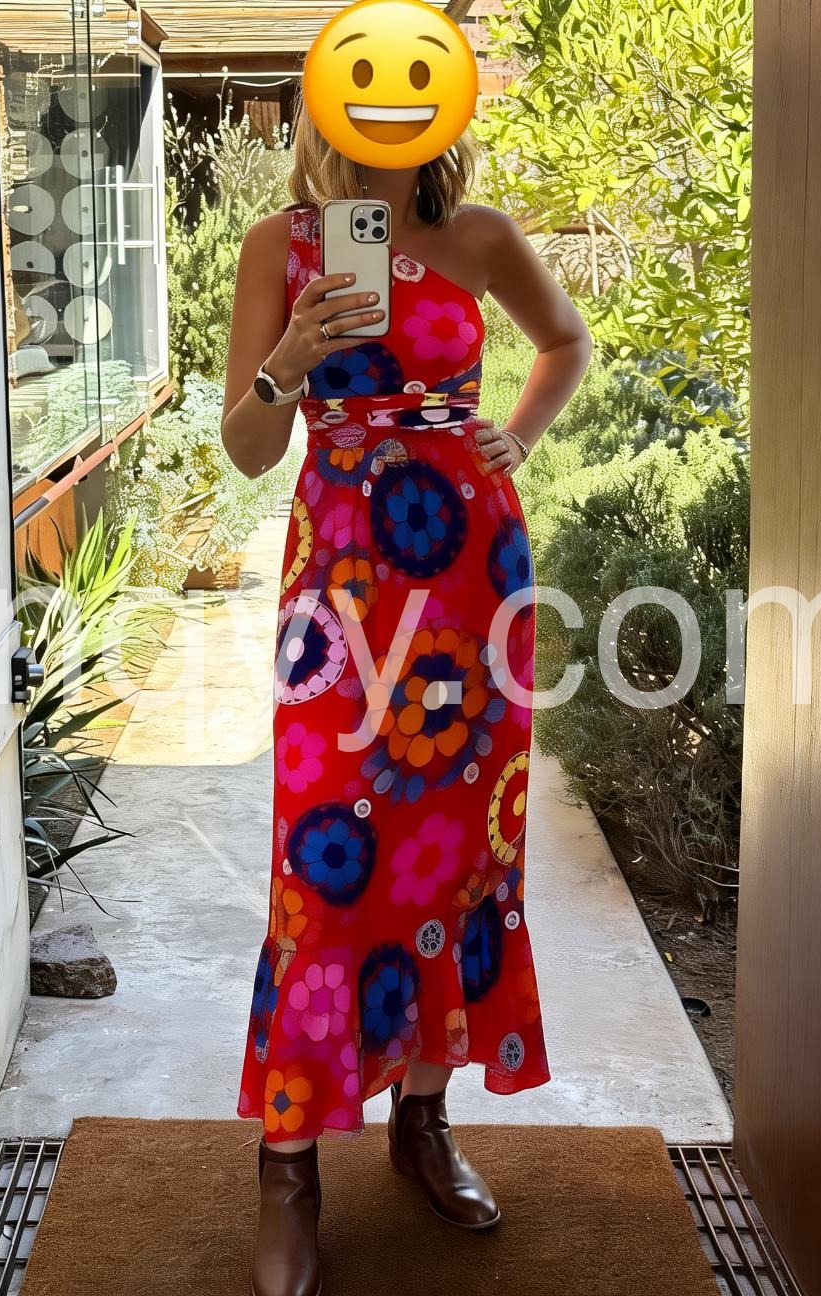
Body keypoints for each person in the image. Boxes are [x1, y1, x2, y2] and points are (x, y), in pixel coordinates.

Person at [221, 104, 592, 1296]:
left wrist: (517, 438)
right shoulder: (279, 246)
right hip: (341, 583)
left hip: (473, 572)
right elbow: (247, 448)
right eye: (364, 86)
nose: (388, 109)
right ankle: (288, 1168)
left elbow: (566, 341)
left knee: (459, 849)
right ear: (330, 100)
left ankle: (422, 1122)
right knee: (323, 861)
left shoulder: (481, 236)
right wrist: (290, 359)